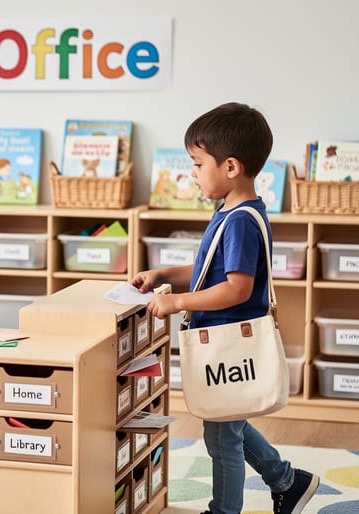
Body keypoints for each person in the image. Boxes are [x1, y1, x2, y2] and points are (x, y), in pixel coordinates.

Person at [131, 102, 319, 514]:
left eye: (198, 165)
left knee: (222, 438)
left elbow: (236, 288)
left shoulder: (239, 221)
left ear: (230, 167)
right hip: (222, 342)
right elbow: (208, 270)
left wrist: (177, 300)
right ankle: (287, 480)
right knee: (227, 424)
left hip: (228, 343)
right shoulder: (232, 212)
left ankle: (226, 510)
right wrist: (165, 273)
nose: (193, 174)